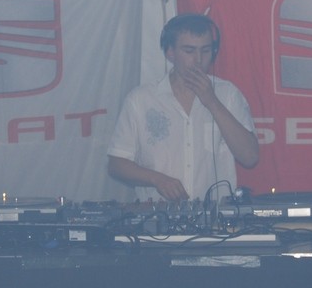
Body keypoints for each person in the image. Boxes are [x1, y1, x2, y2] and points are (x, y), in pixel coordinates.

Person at [107, 13, 259, 202]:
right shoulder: (141, 99)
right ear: (170, 53)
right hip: (158, 213)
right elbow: (116, 164)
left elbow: (250, 157)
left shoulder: (228, 94)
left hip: (214, 214)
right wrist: (157, 179)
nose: (198, 59)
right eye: (189, 51)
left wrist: (212, 102)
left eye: (205, 50)